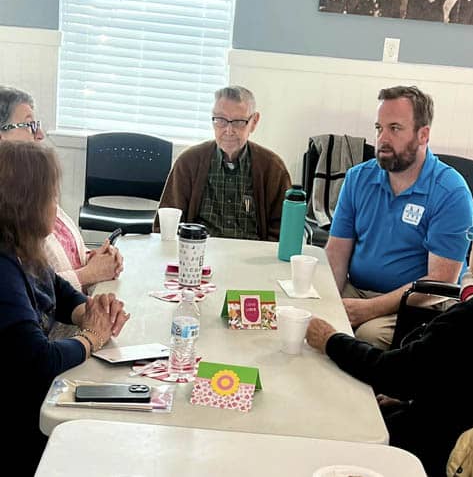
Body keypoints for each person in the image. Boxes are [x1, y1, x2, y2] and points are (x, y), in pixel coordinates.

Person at [306, 196, 473, 477]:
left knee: (332, 416)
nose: (472, 243)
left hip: (437, 451)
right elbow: (467, 381)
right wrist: (415, 394)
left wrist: (329, 340)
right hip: (469, 431)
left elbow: (391, 372)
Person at [0, 140, 130, 476]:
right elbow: (38, 360)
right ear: (27, 202)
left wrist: (90, 309)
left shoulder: (23, 244)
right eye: (52, 197)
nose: (56, 207)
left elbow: (57, 291)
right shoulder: (2, 268)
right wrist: (92, 337)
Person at [326, 85, 473, 349]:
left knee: (364, 338)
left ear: (423, 134)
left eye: (394, 128)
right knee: (313, 317)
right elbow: (336, 253)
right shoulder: (358, 178)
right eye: (378, 128)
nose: (382, 138)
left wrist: (369, 309)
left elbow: (438, 284)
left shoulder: (451, 192)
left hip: (414, 305)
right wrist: (328, 300)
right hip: (356, 290)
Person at [0, 85, 123, 294]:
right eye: (29, 125)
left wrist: (93, 257)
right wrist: (89, 273)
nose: (39, 135)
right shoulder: (8, 205)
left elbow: (64, 251)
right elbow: (25, 291)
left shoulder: (34, 183)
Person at [153, 85, 291, 241]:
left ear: (254, 122)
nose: (229, 130)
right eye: (220, 120)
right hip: (200, 252)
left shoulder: (273, 168)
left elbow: (284, 232)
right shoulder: (188, 162)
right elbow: (165, 225)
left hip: (252, 256)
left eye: (238, 122)